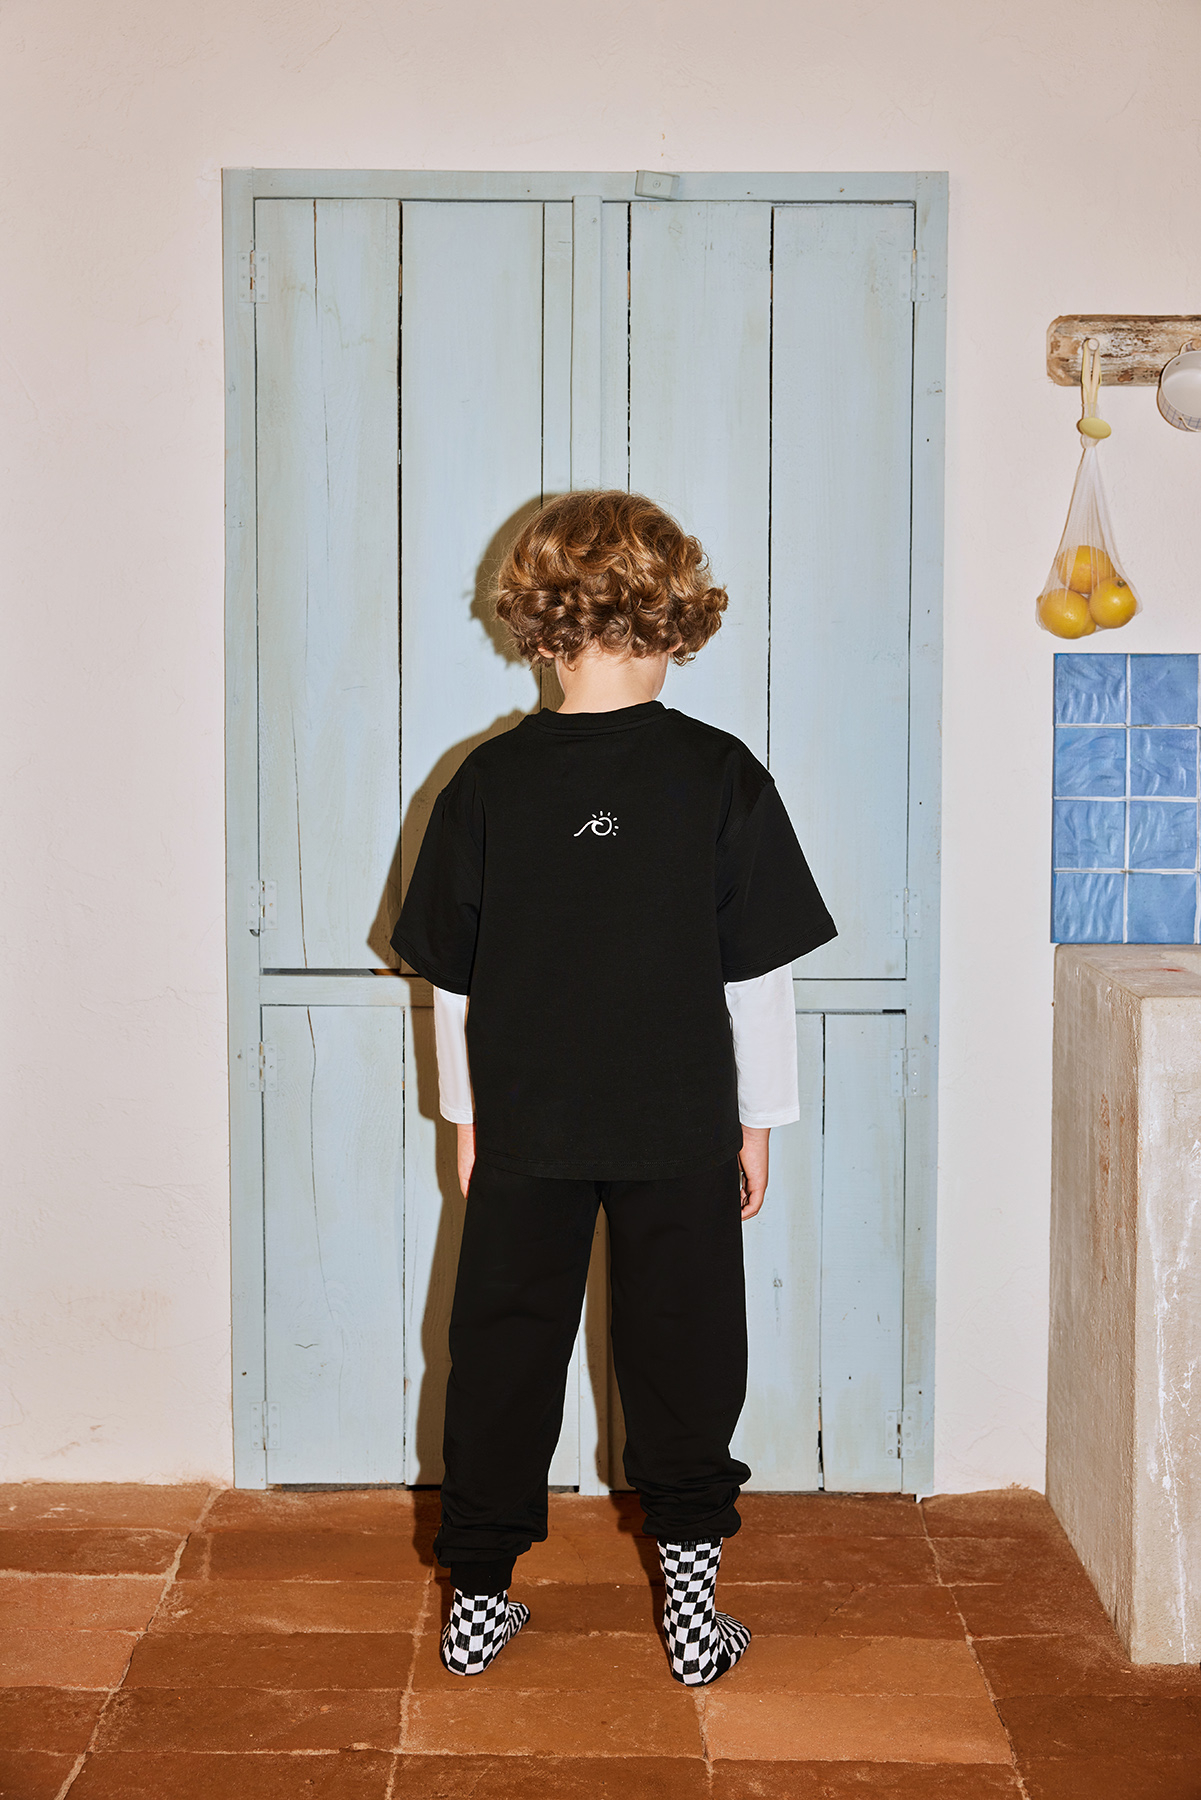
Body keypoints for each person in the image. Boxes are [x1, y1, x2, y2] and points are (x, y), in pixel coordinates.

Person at [391, 489, 836, 1684]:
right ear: (677, 619)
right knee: (686, 1354)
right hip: (679, 1127)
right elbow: (758, 980)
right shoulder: (718, 773)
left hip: (526, 1131)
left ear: (539, 625)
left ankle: (475, 1608)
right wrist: (759, 1124)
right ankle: (691, 1620)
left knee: (501, 1351)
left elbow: (453, 988)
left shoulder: (483, 781)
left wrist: (468, 1124)